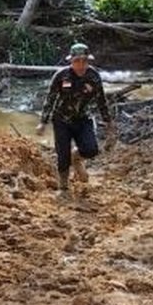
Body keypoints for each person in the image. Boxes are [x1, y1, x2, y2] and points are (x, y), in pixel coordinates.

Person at [35, 42, 115, 197]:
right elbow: (50, 99)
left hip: (82, 118)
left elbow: (101, 101)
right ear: (71, 61)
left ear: (88, 61)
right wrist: (43, 122)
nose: (81, 65)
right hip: (61, 120)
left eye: (84, 61)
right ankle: (63, 187)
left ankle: (76, 158)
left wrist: (108, 123)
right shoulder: (61, 76)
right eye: (77, 61)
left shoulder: (93, 76)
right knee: (62, 154)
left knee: (91, 149)